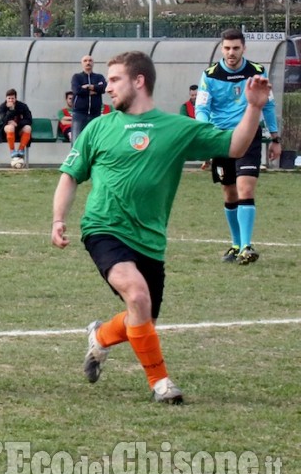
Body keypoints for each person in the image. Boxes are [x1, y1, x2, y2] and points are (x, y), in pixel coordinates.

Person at [51, 51, 270, 404]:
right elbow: (69, 176)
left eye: (116, 79)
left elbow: (235, 145)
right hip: (103, 227)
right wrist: (59, 219)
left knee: (143, 315)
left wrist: (254, 108)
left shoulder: (175, 129)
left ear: (139, 81)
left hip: (150, 239)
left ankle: (101, 336)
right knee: (137, 295)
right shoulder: (98, 128)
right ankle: (161, 383)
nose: (107, 87)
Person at [196, 29, 281, 265]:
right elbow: (202, 108)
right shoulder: (210, 75)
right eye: (227, 48)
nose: (231, 52)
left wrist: (275, 138)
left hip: (250, 134)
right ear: (221, 49)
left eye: (235, 48)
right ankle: (236, 244)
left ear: (244, 48)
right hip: (221, 138)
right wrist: (204, 133)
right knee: (229, 192)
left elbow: (268, 105)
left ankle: (246, 246)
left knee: (246, 188)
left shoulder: (256, 72)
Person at [70, 55, 107, 140]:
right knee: (77, 139)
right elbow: (77, 90)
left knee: (95, 139)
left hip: (95, 113)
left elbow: (104, 88)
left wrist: (89, 86)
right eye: (85, 61)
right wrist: (94, 90)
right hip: (79, 114)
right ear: (82, 63)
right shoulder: (77, 77)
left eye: (90, 60)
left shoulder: (99, 77)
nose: (88, 62)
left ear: (93, 63)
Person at [0, 88, 32, 159]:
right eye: (9, 98)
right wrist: (11, 110)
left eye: (12, 98)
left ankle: (21, 150)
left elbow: (29, 119)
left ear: (16, 98)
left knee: (28, 128)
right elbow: (4, 120)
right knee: (11, 127)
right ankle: (12, 150)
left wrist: (18, 123)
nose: (11, 100)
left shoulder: (23, 106)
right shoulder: (2, 107)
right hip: (6, 131)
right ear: (6, 98)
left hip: (19, 129)